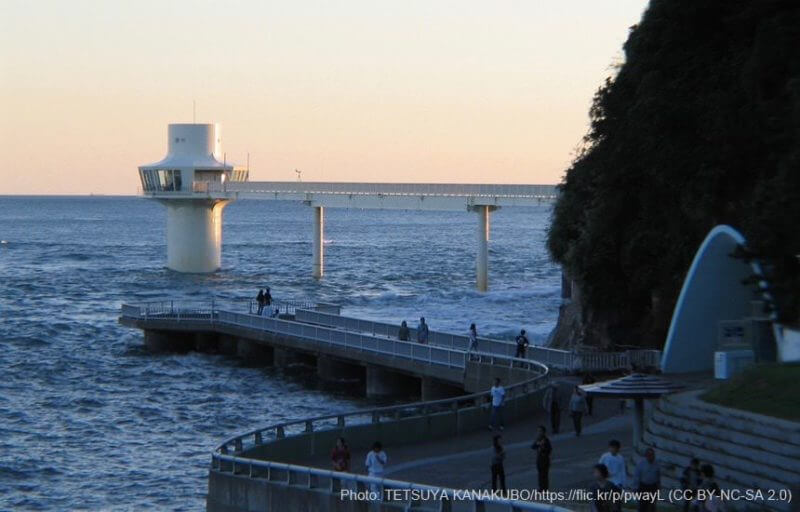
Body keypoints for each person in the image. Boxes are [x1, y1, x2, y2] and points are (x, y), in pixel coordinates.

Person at [633, 448, 660, 512]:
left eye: (652, 455)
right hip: (643, 487)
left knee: (652, 506)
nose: (651, 457)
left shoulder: (657, 464)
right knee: (642, 506)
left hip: (653, 487)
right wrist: (635, 488)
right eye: (649, 455)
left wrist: (658, 486)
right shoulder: (640, 464)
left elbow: (658, 475)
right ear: (646, 456)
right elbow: (636, 476)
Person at [531, 425, 552, 490]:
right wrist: (538, 444)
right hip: (539, 459)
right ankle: (541, 487)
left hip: (545, 459)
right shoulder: (538, 440)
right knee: (540, 474)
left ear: (543, 432)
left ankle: (545, 488)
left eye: (540, 431)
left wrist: (543, 449)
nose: (538, 432)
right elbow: (532, 446)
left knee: (544, 474)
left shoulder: (546, 440)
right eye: (538, 431)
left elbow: (549, 449)